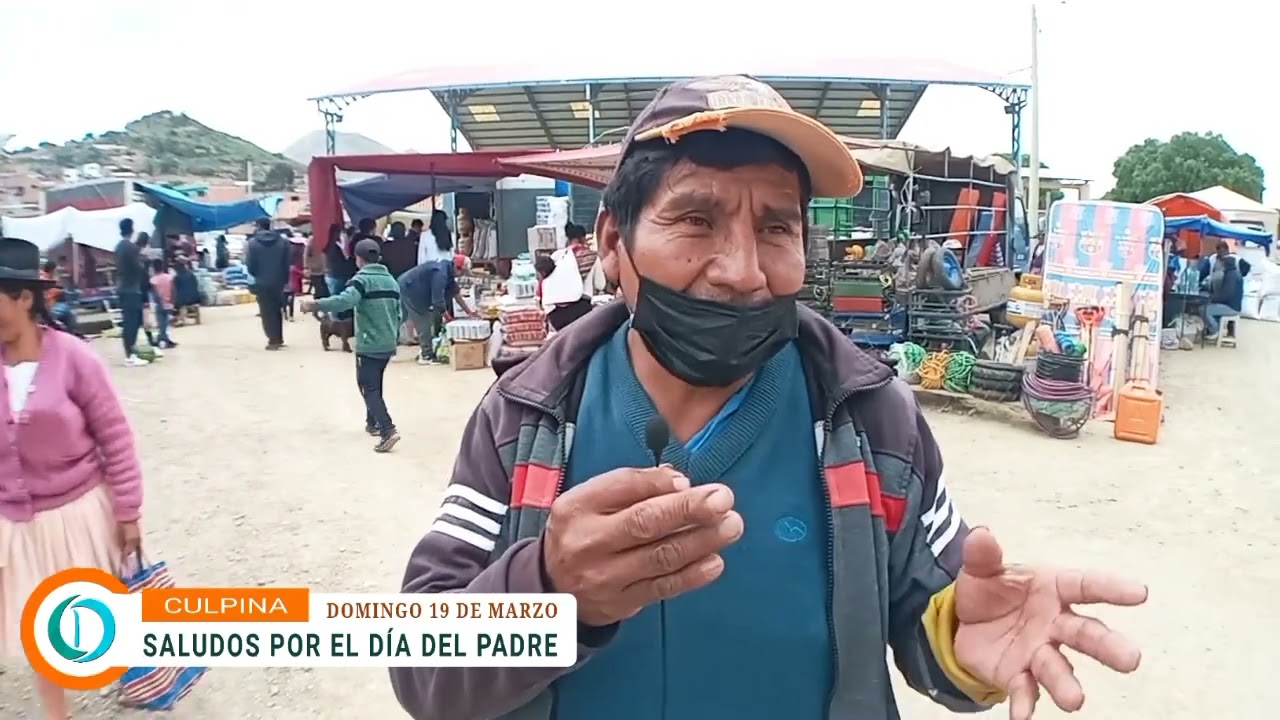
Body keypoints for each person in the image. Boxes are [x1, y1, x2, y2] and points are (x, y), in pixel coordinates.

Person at [390, 76, 1147, 720]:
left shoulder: (872, 421)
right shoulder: (527, 419)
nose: (742, 271)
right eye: (695, 220)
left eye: (777, 227)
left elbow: (933, 616)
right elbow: (422, 669)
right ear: (614, 244)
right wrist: (551, 589)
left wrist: (962, 641)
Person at [0, 237, 143, 720]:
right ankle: (55, 713)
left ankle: (137, 675)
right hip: (18, 523)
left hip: (78, 511)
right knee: (37, 622)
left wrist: (128, 512)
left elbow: (115, 437)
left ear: (23, 298)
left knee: (94, 616)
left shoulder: (73, 357)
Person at [302, 239, 403, 452]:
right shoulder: (392, 282)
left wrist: (316, 304)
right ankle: (372, 422)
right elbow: (399, 313)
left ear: (358, 259)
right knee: (374, 383)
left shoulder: (361, 281)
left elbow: (344, 302)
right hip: (387, 343)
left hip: (369, 343)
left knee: (368, 386)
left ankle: (387, 429)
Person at [398, 253, 477, 365]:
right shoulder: (441, 274)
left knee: (401, 317)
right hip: (410, 289)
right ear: (457, 268)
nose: (462, 275)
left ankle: (385, 343)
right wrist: (448, 318)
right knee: (423, 319)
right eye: (463, 272)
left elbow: (456, 294)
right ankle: (426, 355)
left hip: (409, 285)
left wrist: (469, 312)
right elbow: (438, 301)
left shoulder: (448, 270)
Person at [244, 217, 290, 350]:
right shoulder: (283, 241)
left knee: (266, 311)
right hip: (279, 281)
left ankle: (272, 340)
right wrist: (284, 279)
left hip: (261, 282)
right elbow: (286, 263)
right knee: (277, 309)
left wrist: (257, 274)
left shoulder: (252, 243)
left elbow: (250, 264)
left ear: (258, 226)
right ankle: (279, 338)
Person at [113, 218, 150, 366]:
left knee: (128, 321)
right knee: (132, 323)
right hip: (131, 290)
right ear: (132, 230)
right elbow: (138, 269)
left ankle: (130, 354)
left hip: (122, 288)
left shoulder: (119, 246)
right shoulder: (131, 248)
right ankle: (130, 355)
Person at [1197, 240, 1251, 339]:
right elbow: (1202, 274)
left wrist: (1213, 298)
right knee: (1213, 309)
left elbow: (1227, 295)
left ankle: (1214, 330)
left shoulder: (1233, 270)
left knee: (1205, 309)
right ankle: (1214, 330)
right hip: (1227, 299)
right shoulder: (1215, 261)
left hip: (1230, 305)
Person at [147, 258, 177, 349]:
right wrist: (173, 301)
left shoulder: (153, 280)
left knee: (161, 323)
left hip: (159, 304)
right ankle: (165, 339)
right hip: (169, 303)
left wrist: (159, 302)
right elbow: (173, 290)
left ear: (153, 268)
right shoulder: (169, 277)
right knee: (166, 323)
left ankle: (162, 339)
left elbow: (154, 294)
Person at [324, 224, 358, 298]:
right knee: (338, 300)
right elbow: (342, 261)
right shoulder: (336, 247)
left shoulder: (329, 245)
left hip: (330, 275)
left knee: (334, 299)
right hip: (338, 275)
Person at [171, 258, 202, 325]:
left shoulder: (177, 277)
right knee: (186, 300)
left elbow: (175, 289)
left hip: (184, 299)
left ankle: (182, 319)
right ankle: (197, 318)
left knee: (181, 304)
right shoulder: (191, 274)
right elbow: (196, 284)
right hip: (195, 296)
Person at [304, 231, 329, 300]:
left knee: (323, 289)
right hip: (315, 269)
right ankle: (317, 305)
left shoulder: (326, 238)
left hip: (325, 268)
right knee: (319, 289)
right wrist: (306, 267)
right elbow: (306, 254)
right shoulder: (312, 239)